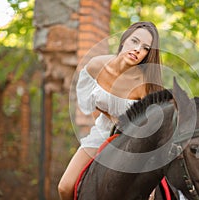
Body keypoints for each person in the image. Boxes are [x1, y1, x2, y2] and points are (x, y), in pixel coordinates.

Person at [58, 21, 163, 200]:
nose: (137, 49)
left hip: (133, 143)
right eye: (134, 41)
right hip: (102, 133)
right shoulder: (95, 66)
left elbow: (152, 127)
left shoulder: (145, 83)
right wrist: (110, 116)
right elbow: (87, 104)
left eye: (145, 48)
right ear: (124, 40)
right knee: (65, 187)